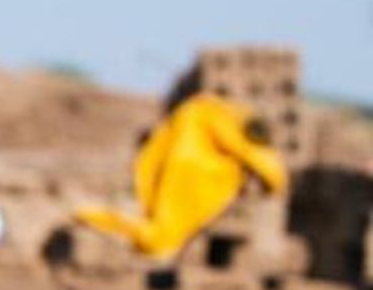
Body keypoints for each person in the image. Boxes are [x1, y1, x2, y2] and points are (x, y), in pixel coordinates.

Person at [74, 85, 288, 260]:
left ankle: (101, 219)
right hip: (188, 173)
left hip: (183, 164)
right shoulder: (228, 132)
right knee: (160, 234)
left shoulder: (218, 114)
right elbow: (271, 174)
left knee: (160, 227)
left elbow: (270, 173)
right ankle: (100, 219)